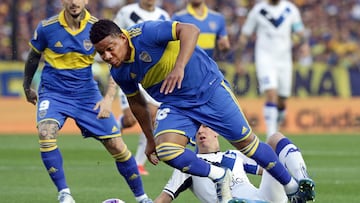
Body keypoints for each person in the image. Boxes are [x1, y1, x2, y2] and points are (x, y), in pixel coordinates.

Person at [89, 19, 315, 203]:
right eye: (102, 54)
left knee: (248, 145)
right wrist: (149, 139)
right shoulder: (119, 73)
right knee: (166, 150)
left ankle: (292, 186)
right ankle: (219, 175)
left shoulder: (146, 33)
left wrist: (179, 67)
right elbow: (137, 103)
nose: (108, 57)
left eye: (110, 49)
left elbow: (190, 30)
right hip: (177, 105)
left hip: (209, 90)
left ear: (122, 38)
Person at [22, 1, 152, 203]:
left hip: (87, 95)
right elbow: (33, 56)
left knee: (117, 145)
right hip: (53, 93)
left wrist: (108, 99)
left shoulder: (97, 28)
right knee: (45, 132)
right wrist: (27, 86)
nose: (74, 2)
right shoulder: (47, 28)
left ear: (86, 1)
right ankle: (64, 194)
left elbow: (116, 61)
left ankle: (142, 198)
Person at [154, 125, 315, 203]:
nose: (201, 132)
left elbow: (271, 168)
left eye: (204, 126)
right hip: (228, 201)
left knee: (274, 139)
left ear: (216, 130)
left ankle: (302, 182)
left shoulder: (235, 155)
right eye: (196, 129)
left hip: (263, 198)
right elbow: (164, 198)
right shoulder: (188, 164)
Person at [235, 0, 311, 139]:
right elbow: (244, 35)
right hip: (265, 58)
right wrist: (239, 60)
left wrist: (304, 45)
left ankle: (276, 124)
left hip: (284, 60)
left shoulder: (290, 10)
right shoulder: (258, 10)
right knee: (271, 93)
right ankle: (271, 134)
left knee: (282, 99)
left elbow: (299, 31)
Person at [113, 0, 171, 176]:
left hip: (149, 73)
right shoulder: (126, 12)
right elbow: (111, 37)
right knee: (130, 119)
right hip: (129, 71)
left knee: (152, 116)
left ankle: (138, 163)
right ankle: (114, 127)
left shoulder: (163, 16)